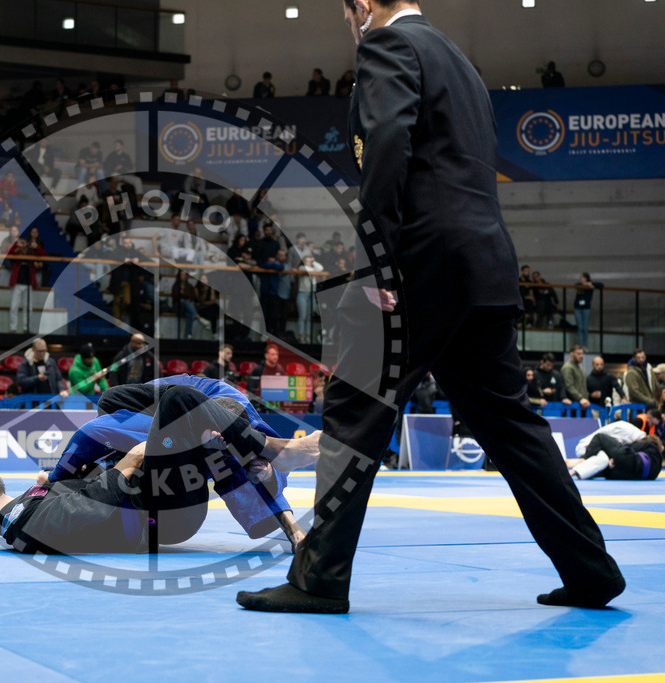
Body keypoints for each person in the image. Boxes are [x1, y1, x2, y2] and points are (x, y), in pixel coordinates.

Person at [238, 0, 623, 615]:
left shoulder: (386, 47)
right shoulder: (461, 62)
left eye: (347, 12)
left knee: (354, 410)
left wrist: (378, 257)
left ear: (362, 6)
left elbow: (389, 141)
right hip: (484, 263)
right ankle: (591, 570)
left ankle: (319, 579)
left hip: (422, 265)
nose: (348, 22)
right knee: (511, 427)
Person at [0, 377, 319, 552]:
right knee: (179, 402)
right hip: (160, 512)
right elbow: (96, 503)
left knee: (114, 402)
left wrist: (55, 481)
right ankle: (268, 448)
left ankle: (228, 435)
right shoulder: (26, 523)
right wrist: (134, 456)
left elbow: (79, 494)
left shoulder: (21, 507)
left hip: (151, 492)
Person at [567, 433, 661, 481]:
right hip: (628, 475)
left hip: (627, 459)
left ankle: (583, 460)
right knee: (605, 466)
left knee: (600, 437)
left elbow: (629, 449)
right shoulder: (657, 467)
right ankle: (580, 471)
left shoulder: (649, 446)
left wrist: (616, 458)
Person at [561, 344, 590, 410]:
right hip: (573, 406)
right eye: (578, 354)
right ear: (572, 354)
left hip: (583, 405)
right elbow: (569, 386)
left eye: (582, 354)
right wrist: (581, 398)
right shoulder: (568, 367)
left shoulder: (580, 368)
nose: (581, 356)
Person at [573, 272, 596, 348]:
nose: (580, 278)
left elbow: (600, 284)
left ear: (586, 278)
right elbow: (575, 285)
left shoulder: (590, 285)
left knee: (584, 327)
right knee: (579, 327)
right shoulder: (579, 285)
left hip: (586, 308)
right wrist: (584, 285)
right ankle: (580, 345)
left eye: (582, 277)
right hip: (578, 307)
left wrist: (589, 284)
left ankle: (585, 345)